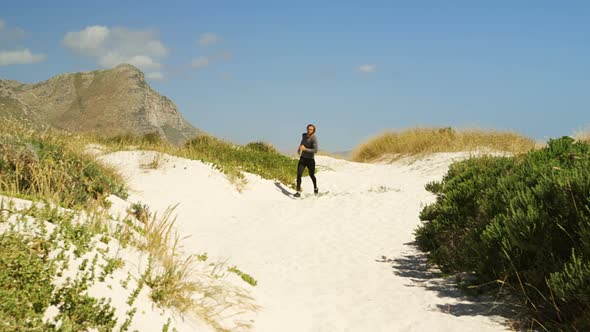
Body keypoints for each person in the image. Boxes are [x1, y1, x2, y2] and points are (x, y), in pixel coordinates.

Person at [295, 124, 318, 197]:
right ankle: (298, 192)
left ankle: (315, 188)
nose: (309, 130)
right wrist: (299, 148)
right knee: (299, 174)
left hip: (310, 160)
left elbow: (315, 150)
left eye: (311, 129)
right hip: (303, 159)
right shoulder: (304, 135)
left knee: (311, 175)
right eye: (308, 129)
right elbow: (302, 143)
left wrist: (305, 149)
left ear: (313, 131)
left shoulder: (314, 138)